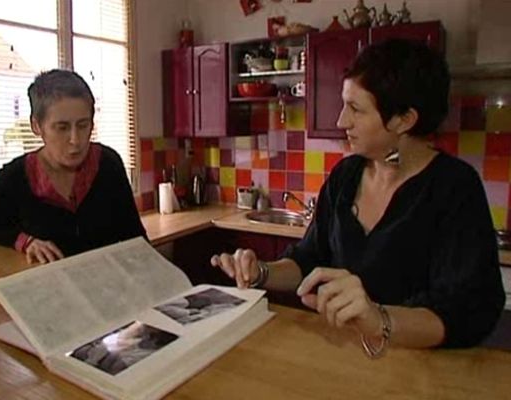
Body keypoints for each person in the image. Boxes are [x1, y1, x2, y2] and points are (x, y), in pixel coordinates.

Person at [211, 39, 505, 354]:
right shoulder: (345, 176)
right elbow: (309, 259)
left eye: (356, 109)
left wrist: (377, 318)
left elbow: (467, 314)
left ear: (404, 119)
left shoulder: (454, 188)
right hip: (343, 357)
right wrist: (262, 272)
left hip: (418, 372)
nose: (341, 121)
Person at [0, 69, 146, 263]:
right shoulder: (12, 178)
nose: (75, 140)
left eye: (83, 125)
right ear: (36, 126)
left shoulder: (108, 164)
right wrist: (26, 241)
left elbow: (135, 236)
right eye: (62, 128)